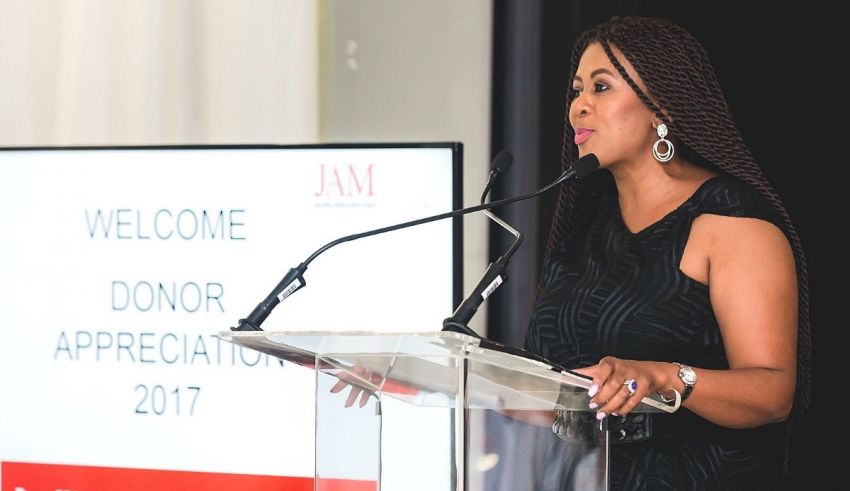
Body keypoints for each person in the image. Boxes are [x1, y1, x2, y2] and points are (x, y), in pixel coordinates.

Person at [524, 16, 811, 490]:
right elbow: (562, 396)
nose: (579, 106)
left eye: (600, 87)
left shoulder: (730, 221)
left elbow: (772, 392)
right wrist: (439, 381)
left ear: (660, 105)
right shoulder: (584, 227)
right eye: (576, 91)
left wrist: (664, 377)